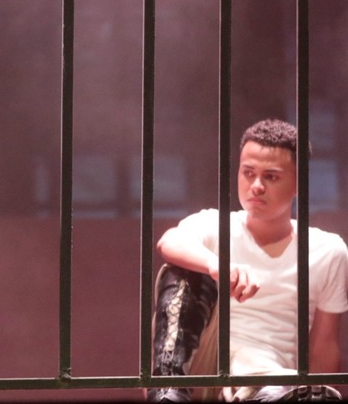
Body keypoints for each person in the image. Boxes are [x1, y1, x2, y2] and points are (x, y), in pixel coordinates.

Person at [149, 119, 348, 402]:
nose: (256, 186)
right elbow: (169, 241)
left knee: (259, 367)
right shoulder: (214, 225)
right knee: (182, 266)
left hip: (272, 385)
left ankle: (270, 387)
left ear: (299, 183)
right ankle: (168, 389)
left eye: (271, 177)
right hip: (201, 373)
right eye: (248, 173)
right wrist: (216, 265)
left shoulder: (327, 250)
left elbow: (324, 346)